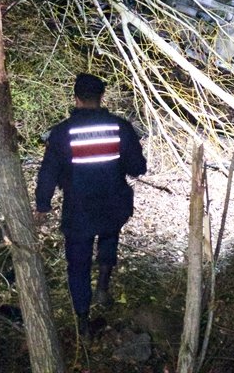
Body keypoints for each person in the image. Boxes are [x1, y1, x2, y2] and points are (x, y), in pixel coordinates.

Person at [34, 73, 147, 338]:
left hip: (79, 210)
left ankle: (83, 320)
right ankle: (103, 288)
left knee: (78, 263)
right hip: (113, 205)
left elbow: (48, 172)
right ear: (101, 98)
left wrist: (42, 204)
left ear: (76, 99)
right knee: (109, 237)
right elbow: (137, 168)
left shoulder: (62, 133)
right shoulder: (120, 127)